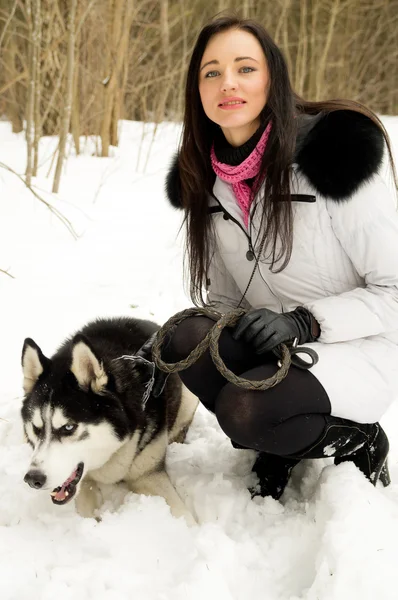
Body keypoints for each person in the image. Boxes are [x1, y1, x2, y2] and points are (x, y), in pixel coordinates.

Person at [158, 15, 398, 500]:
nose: (228, 83)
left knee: (246, 412)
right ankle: (280, 430)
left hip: (362, 344)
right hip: (276, 343)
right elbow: (228, 296)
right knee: (185, 340)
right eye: (212, 72)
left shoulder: (335, 159)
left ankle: (360, 439)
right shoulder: (208, 181)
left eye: (245, 68)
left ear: (273, 77)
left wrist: (305, 323)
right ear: (197, 91)